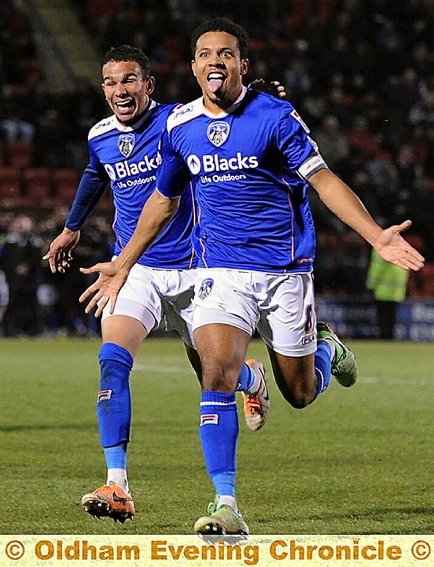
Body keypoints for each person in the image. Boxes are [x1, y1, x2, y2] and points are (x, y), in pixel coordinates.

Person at [79, 18, 425, 535]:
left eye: (225, 53)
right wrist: (123, 262)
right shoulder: (181, 127)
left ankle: (327, 351)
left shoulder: (275, 117)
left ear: (243, 64)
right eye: (204, 53)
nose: (214, 60)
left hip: (286, 274)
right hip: (221, 274)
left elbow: (323, 179)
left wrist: (374, 234)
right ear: (194, 67)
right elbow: (162, 200)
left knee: (300, 393)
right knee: (215, 375)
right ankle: (227, 505)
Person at [43, 45, 283, 524]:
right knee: (112, 363)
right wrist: (72, 228)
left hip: (199, 267)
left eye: (129, 80)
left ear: (148, 85)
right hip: (136, 270)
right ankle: (117, 485)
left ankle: (249, 383)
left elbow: (225, 113)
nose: (119, 90)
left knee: (214, 378)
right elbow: (96, 175)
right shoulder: (100, 136)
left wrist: (256, 96)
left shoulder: (178, 121)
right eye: (110, 83)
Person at [366, 248, 410, 339]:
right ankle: (390, 338)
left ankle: (384, 337)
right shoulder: (401, 248)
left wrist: (370, 285)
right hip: (397, 291)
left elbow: (377, 269)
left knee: (383, 317)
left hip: (382, 291)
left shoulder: (380, 249)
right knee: (391, 317)